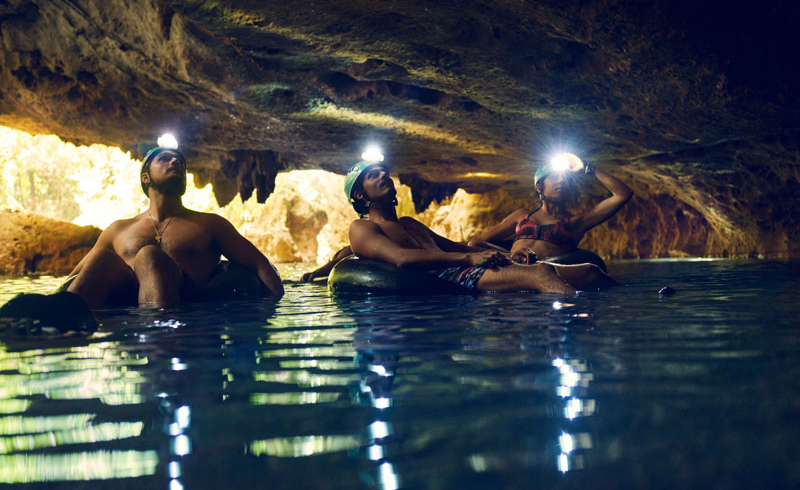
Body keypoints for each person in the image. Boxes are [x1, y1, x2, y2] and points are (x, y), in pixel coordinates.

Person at [344, 160, 613, 294]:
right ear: (359, 195)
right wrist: (470, 258)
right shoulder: (361, 228)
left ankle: (646, 300)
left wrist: (509, 257)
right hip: (447, 277)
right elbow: (401, 258)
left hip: (461, 266)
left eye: (383, 171)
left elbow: (456, 246)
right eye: (372, 175)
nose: (382, 175)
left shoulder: (408, 224)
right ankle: (580, 323)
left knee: (589, 271)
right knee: (540, 273)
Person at [65, 145, 283, 308]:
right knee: (99, 257)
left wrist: (273, 312)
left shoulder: (209, 224)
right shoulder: (118, 229)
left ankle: (161, 336)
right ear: (145, 177)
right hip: (126, 308)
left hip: (182, 310)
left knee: (148, 256)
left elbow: (259, 264)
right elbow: (75, 277)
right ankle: (61, 326)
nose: (176, 162)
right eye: (164, 159)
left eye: (179, 161)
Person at [469, 153, 632, 265]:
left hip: (542, 274)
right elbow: (478, 242)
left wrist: (588, 168)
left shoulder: (576, 223)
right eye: (555, 177)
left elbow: (623, 194)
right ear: (539, 187)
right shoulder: (521, 216)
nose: (561, 181)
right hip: (509, 266)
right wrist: (508, 257)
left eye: (565, 179)